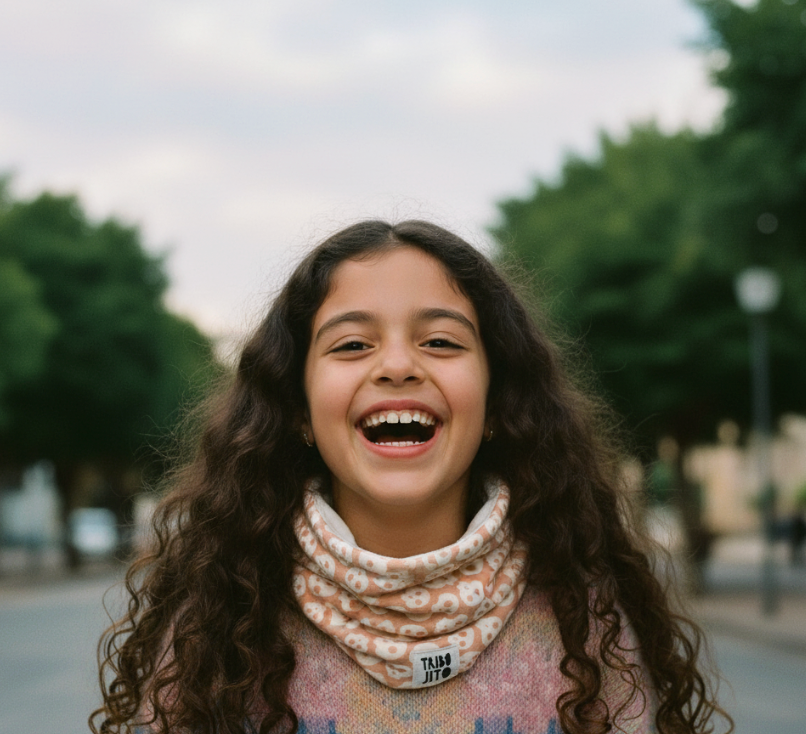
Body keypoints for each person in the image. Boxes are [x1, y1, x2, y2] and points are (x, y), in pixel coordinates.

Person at [92, 220, 731, 734]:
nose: (397, 365)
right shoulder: (219, 623)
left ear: (495, 406)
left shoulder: (587, 626)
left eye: (441, 343)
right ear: (299, 411)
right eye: (351, 345)